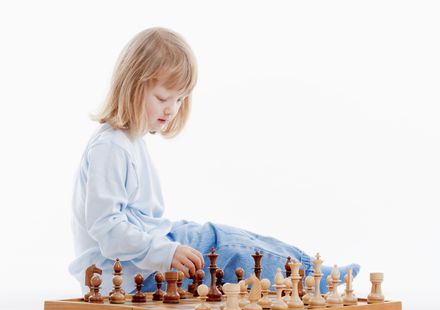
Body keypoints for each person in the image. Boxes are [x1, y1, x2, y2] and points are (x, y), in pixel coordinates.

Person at [68, 27, 359, 295]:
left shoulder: (129, 142)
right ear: (132, 85)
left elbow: (137, 221)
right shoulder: (111, 147)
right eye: (163, 97)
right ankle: (312, 278)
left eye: (179, 100)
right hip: (126, 278)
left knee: (217, 235)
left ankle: (310, 268)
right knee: (223, 248)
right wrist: (166, 252)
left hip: (143, 257)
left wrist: (166, 245)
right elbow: (107, 228)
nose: (171, 109)